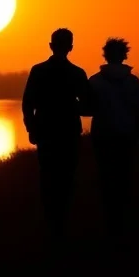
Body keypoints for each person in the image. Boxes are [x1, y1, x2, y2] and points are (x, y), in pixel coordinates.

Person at [21, 28, 91, 241]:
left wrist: (31, 128)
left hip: (46, 131)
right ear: (70, 47)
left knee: (48, 176)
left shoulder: (38, 70)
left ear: (51, 46)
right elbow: (88, 106)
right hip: (68, 132)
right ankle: (62, 223)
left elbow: (27, 104)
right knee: (66, 178)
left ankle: (51, 223)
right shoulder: (77, 73)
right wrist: (71, 105)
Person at [87, 38, 139, 240]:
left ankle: (110, 223)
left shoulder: (95, 81)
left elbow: (86, 109)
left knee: (106, 179)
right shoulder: (133, 82)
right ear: (124, 55)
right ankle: (122, 223)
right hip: (126, 136)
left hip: (103, 136)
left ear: (105, 56)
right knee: (124, 178)